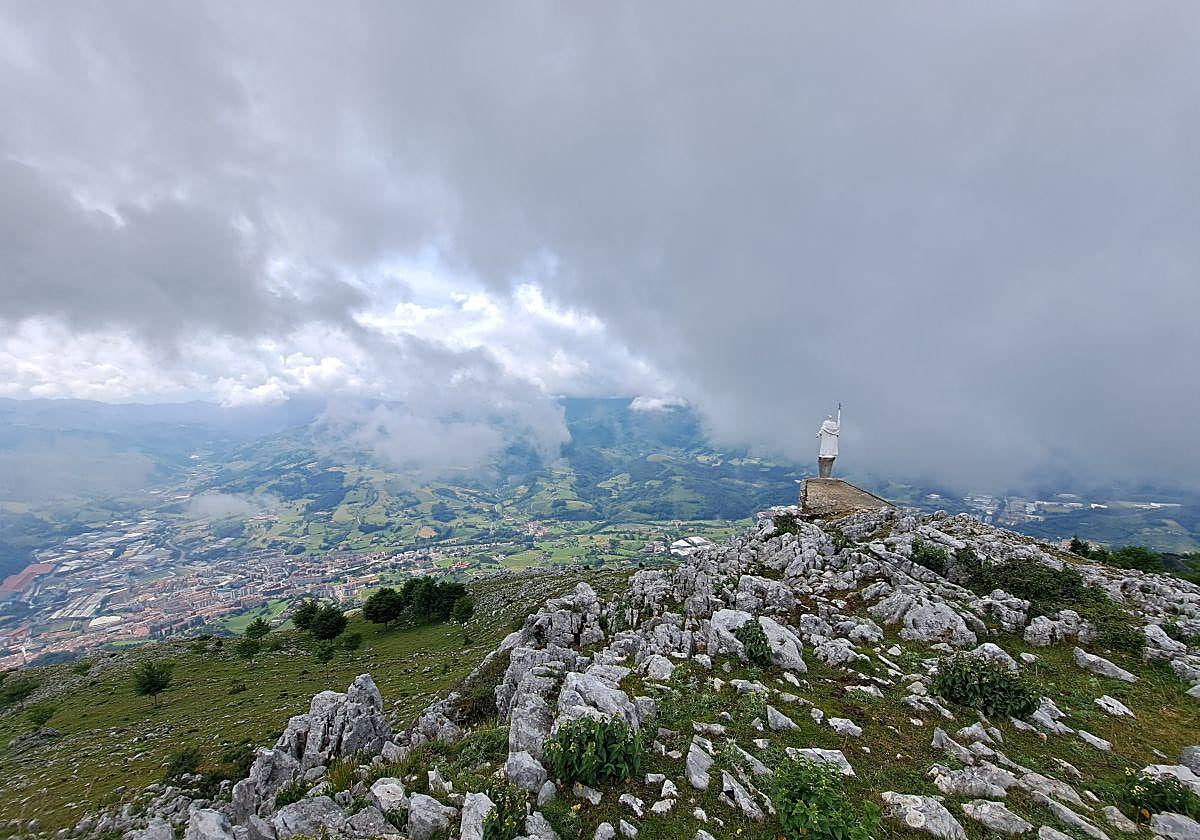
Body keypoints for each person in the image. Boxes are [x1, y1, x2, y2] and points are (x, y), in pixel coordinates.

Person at [816, 406, 840, 478]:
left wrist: (819, 434)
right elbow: (836, 429)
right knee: (828, 447)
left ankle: (824, 477)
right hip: (828, 440)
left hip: (826, 440)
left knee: (825, 447)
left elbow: (822, 429)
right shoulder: (834, 425)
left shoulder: (826, 424)